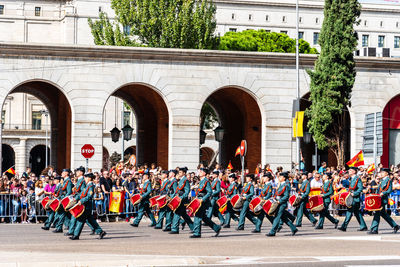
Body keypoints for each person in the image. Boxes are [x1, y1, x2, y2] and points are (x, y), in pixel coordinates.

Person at [69, 173, 106, 240]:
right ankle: (100, 232)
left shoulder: (91, 186)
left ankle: (76, 235)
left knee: (80, 220)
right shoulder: (87, 185)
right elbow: (81, 194)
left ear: (89, 178)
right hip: (85, 205)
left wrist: (82, 201)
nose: (85, 179)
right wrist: (76, 198)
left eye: (86, 178)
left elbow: (89, 196)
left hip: (87, 205)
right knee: (90, 220)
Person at [190, 168, 221, 238]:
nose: (199, 172)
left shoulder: (206, 181)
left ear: (204, 173)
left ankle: (197, 233)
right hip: (199, 200)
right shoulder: (201, 181)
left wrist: (202, 199)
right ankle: (216, 227)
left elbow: (209, 192)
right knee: (203, 217)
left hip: (203, 202)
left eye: (201, 171)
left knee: (197, 215)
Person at [368, 168, 399, 234]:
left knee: (377, 213)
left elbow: (389, 190)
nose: (381, 173)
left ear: (386, 173)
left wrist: (383, 193)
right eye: (381, 172)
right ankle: (395, 226)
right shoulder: (382, 180)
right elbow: (378, 189)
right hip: (379, 198)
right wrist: (375, 195)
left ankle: (374, 229)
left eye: (383, 172)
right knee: (383, 214)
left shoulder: (388, 180)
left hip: (383, 199)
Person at [266, 172, 298, 237]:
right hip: (278, 203)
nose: (279, 178)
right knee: (284, 218)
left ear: (284, 178)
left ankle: (272, 232)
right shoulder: (281, 184)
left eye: (280, 177)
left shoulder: (286, 185)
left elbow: (286, 196)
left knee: (277, 217)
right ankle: (294, 228)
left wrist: (279, 201)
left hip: (281, 204)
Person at [338, 167, 367, 232]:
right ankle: (363, 226)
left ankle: (344, 226)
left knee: (349, 212)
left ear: (354, 171)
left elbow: (360, 188)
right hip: (351, 198)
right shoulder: (351, 179)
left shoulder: (357, 179)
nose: (349, 171)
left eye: (350, 170)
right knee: (357, 213)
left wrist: (355, 194)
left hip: (355, 198)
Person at [170, 167, 194, 234]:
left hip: (182, 200)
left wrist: (181, 198)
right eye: (179, 172)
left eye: (180, 172)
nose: (179, 173)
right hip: (179, 198)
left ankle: (175, 229)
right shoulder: (181, 180)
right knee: (184, 215)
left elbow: (187, 191)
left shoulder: (185, 180)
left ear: (184, 173)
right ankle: (193, 227)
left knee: (177, 213)